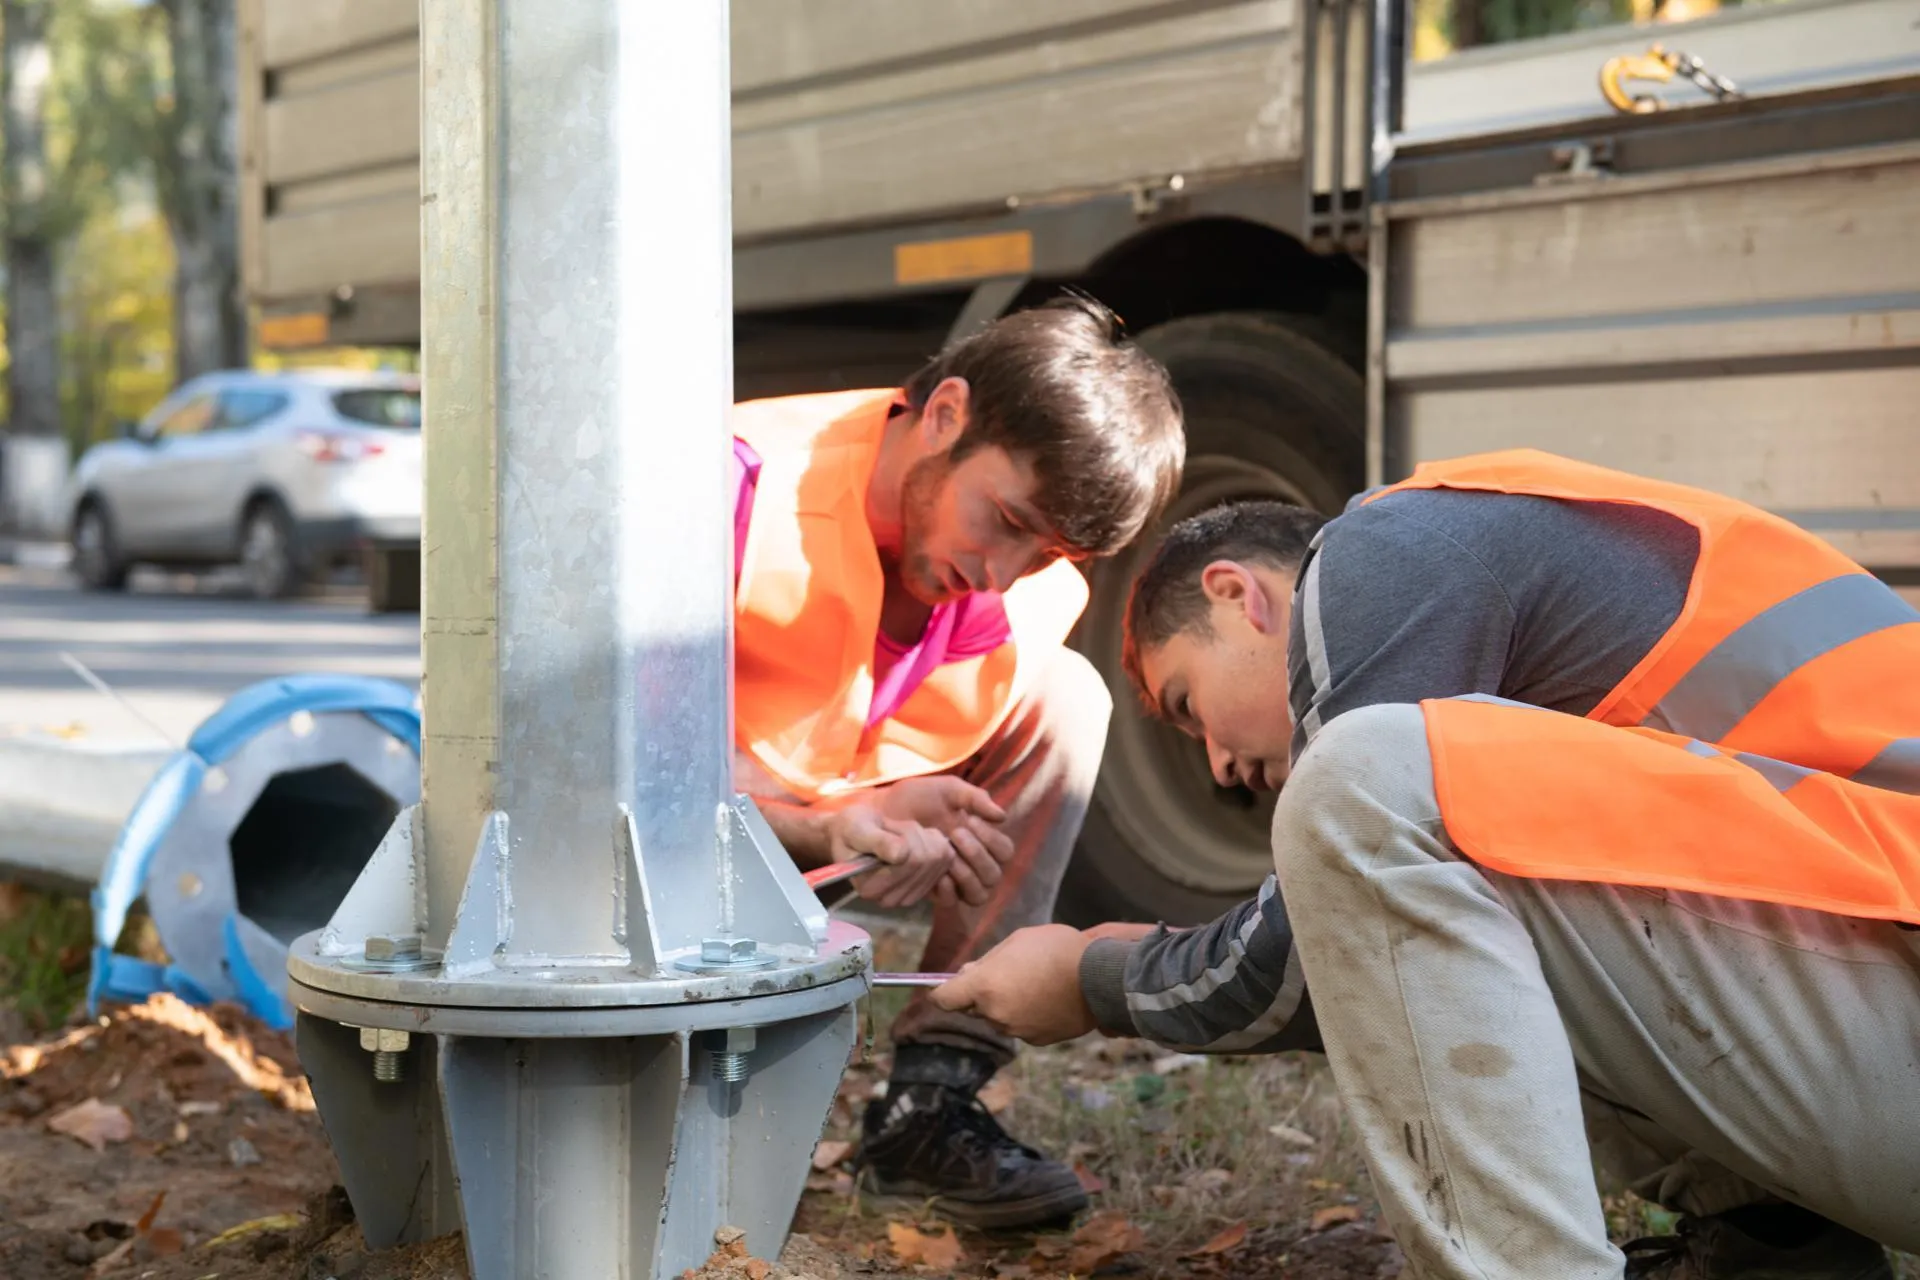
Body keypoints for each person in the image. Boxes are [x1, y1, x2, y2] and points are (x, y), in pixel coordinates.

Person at [930, 450, 1920, 1277]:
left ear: (1240, 597)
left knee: (1359, 784)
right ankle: (1777, 1252)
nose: (1222, 764)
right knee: (1491, 839)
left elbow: (1304, 958)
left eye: (1187, 705)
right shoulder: (1507, 564)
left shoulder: (1377, 553)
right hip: (1877, 1010)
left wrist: (1090, 975)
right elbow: (1404, 958)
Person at [729, 296, 1183, 1227]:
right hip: (650, 857)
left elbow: (866, 737)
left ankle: (929, 1109)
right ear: (945, 416)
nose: (1004, 571)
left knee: (1067, 698)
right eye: (1005, 518)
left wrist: (892, 805)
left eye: (1044, 548)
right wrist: (831, 825)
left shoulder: (1023, 578)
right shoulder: (736, 487)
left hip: (815, 831)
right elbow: (615, 768)